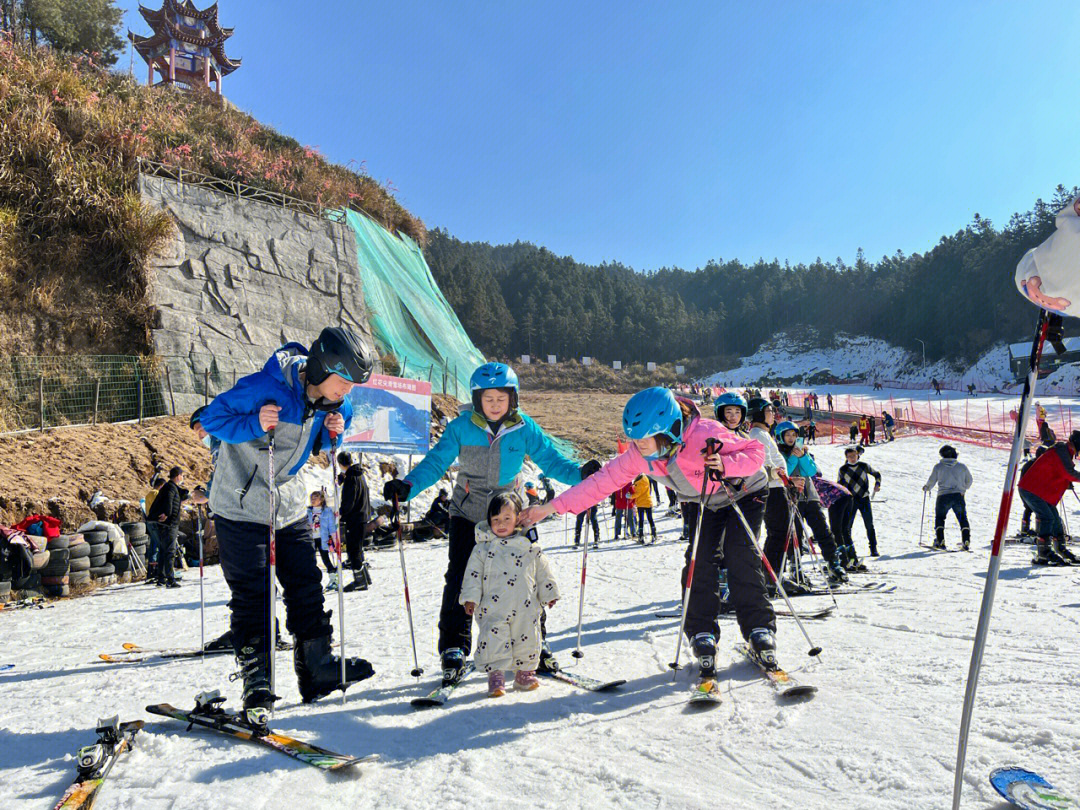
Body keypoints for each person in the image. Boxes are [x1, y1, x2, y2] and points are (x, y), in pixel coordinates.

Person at [520, 387, 777, 689]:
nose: (638, 446)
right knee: (699, 562)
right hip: (703, 501)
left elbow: (755, 452)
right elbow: (599, 484)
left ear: (670, 430)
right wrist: (549, 508)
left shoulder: (704, 432)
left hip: (742, 493)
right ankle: (701, 632)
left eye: (644, 439)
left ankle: (759, 630)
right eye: (634, 439)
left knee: (741, 556)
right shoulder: (637, 456)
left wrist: (725, 464)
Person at [199, 326, 376, 723]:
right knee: (254, 591)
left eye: (353, 385)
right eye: (343, 381)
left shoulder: (333, 401)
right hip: (241, 506)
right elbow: (212, 418)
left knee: (305, 584)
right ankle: (257, 678)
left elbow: (330, 430)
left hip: (289, 506)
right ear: (320, 368)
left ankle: (316, 668)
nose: (347, 391)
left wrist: (335, 432)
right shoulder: (265, 386)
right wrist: (254, 423)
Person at [382, 362, 594, 685]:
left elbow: (550, 460)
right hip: (469, 513)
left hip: (511, 514)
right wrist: (408, 486)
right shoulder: (462, 427)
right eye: (488, 399)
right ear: (477, 399)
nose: (495, 405)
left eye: (501, 398)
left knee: (526, 579)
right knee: (460, 578)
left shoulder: (524, 428)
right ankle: (454, 646)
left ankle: (538, 643)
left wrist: (580, 474)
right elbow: (437, 462)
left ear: (513, 398)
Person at [461, 492, 560, 697]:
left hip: (525, 605)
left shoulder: (529, 546)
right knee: (494, 638)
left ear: (518, 519)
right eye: (496, 520)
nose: (501, 524)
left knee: (528, 639)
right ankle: (496, 675)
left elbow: (543, 571)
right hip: (493, 606)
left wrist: (549, 592)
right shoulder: (483, 548)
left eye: (507, 518)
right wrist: (470, 598)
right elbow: (473, 574)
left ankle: (524, 674)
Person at [776, 421, 847, 583]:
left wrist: (802, 456)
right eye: (787, 435)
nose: (791, 438)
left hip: (810, 497)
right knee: (796, 533)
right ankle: (796, 564)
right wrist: (794, 458)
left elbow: (812, 471)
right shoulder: (779, 453)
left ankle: (832, 561)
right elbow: (785, 470)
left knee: (822, 529)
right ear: (781, 436)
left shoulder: (802, 452)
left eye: (794, 435)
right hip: (792, 498)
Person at [746, 397, 799, 590]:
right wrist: (779, 474)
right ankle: (771, 576)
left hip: (777, 487)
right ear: (759, 413)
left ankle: (773, 574)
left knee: (781, 531)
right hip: (772, 489)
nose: (773, 414)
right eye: (769, 410)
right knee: (779, 531)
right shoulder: (758, 434)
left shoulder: (763, 434)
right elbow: (763, 464)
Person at [1016, 431, 1080, 565]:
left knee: (1055, 519)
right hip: (1032, 489)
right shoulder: (1061, 451)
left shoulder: (1065, 452)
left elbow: (1059, 472)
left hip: (1040, 491)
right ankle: (1043, 553)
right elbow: (1068, 472)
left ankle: (1060, 549)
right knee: (1047, 517)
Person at [337, 451, 376, 592]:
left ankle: (359, 580)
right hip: (363, 515)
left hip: (354, 518)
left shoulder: (351, 478)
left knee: (353, 550)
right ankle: (365, 577)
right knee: (358, 548)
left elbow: (349, 501)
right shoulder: (359, 474)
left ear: (340, 463)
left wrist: (341, 513)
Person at [923, 445, 974, 551]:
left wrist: (927, 487)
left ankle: (940, 540)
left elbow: (932, 480)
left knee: (940, 518)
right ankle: (966, 540)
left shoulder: (938, 467)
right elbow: (969, 480)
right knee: (962, 518)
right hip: (958, 496)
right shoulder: (962, 466)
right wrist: (963, 490)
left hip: (943, 496)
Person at [837, 446, 881, 557]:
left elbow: (877, 474)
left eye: (854, 456)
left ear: (858, 455)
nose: (852, 458)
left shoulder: (863, 466)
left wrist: (877, 484)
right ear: (846, 457)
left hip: (864, 499)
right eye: (850, 456)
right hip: (851, 500)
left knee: (869, 524)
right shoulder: (843, 469)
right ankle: (848, 550)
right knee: (847, 526)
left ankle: (873, 548)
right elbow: (839, 485)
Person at [150, 466, 187, 588]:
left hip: (167, 524)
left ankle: (161, 578)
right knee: (170, 552)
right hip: (169, 524)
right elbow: (169, 502)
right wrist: (167, 513)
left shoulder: (171, 487)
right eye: (182, 476)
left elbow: (178, 497)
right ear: (178, 476)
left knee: (163, 550)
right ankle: (170, 579)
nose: (183, 478)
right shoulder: (170, 488)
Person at [307, 490, 338, 586]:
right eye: (311, 498)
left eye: (315, 498)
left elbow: (332, 527)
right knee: (310, 560)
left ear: (321, 500)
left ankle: (333, 578)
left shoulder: (326, 511)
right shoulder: (308, 511)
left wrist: (335, 540)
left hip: (322, 538)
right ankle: (312, 581)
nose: (313, 500)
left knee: (325, 558)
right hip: (310, 538)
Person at [632, 474, 657, 543]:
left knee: (641, 520)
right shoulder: (645, 478)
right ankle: (654, 533)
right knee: (650, 518)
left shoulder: (639, 482)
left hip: (641, 503)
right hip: (648, 501)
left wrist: (631, 496)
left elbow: (638, 493)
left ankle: (641, 536)